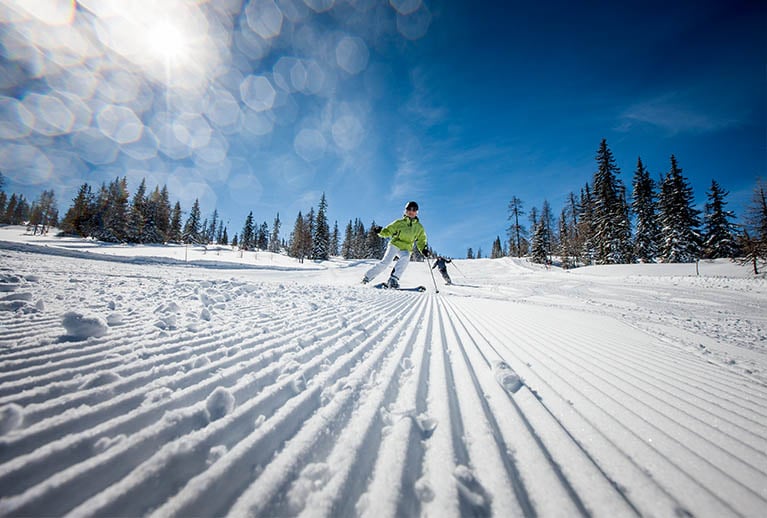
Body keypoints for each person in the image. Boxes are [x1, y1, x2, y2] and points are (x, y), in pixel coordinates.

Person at [362, 201, 429, 288]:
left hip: (406, 248)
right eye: (409, 209)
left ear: (417, 212)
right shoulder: (399, 223)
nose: (411, 211)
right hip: (395, 244)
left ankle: (393, 279)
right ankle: (367, 278)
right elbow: (388, 231)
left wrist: (423, 249)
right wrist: (380, 231)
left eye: (414, 210)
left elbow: (421, 240)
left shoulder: (419, 227)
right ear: (405, 211)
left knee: (406, 257)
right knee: (386, 262)